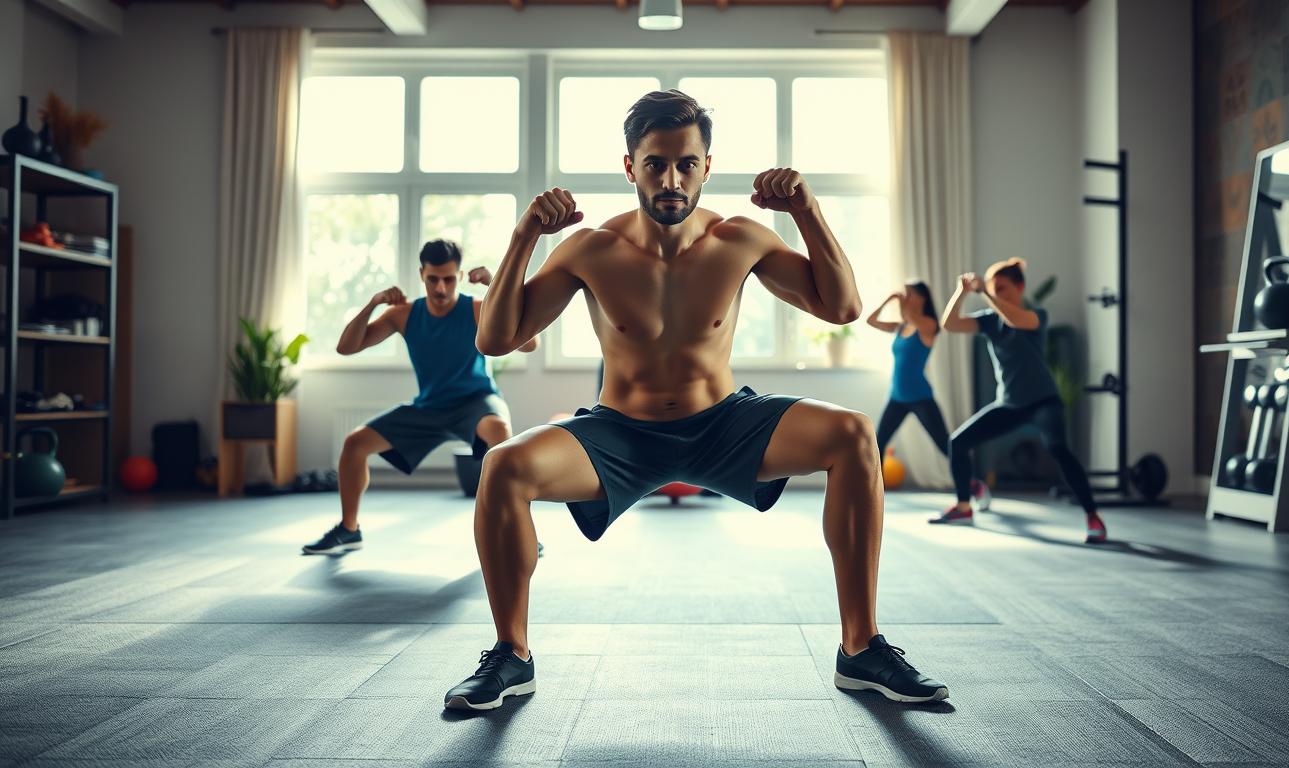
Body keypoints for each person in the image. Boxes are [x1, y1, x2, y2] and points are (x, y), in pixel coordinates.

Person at [442, 89, 948, 711]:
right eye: (655, 163)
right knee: (503, 466)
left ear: (708, 166)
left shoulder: (740, 239)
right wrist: (526, 233)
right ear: (630, 167)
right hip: (621, 433)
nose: (672, 178)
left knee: (853, 433)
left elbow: (840, 307)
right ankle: (510, 656)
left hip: (724, 423)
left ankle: (861, 647)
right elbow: (497, 337)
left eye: (686, 163)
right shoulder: (591, 249)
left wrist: (807, 209)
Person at [301, 239, 538, 555]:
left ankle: (517, 531)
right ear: (421, 275)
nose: (441, 288)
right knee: (354, 444)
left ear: (459, 275)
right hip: (429, 407)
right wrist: (373, 304)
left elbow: (530, 344)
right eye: (433, 279)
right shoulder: (403, 314)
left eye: (449, 279)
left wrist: (496, 286)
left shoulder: (477, 309)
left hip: (476, 401)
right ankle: (349, 528)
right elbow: (346, 347)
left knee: (500, 434)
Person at [936, 257, 1105, 543]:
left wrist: (986, 294)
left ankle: (1093, 517)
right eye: (993, 288)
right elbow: (950, 324)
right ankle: (964, 506)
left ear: (1020, 287)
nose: (997, 293)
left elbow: (1014, 319)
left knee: (1058, 448)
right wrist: (962, 291)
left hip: (1043, 401)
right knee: (958, 442)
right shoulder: (990, 322)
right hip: (1009, 404)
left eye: (1002, 288)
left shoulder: (1036, 315)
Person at [865, 283, 989, 508]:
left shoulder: (929, 325)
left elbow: (913, 317)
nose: (905, 297)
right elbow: (871, 321)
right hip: (897, 397)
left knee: (946, 446)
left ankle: (974, 485)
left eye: (910, 293)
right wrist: (888, 300)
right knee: (878, 442)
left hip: (921, 397)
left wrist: (903, 305)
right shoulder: (902, 325)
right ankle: (875, 496)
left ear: (922, 298)